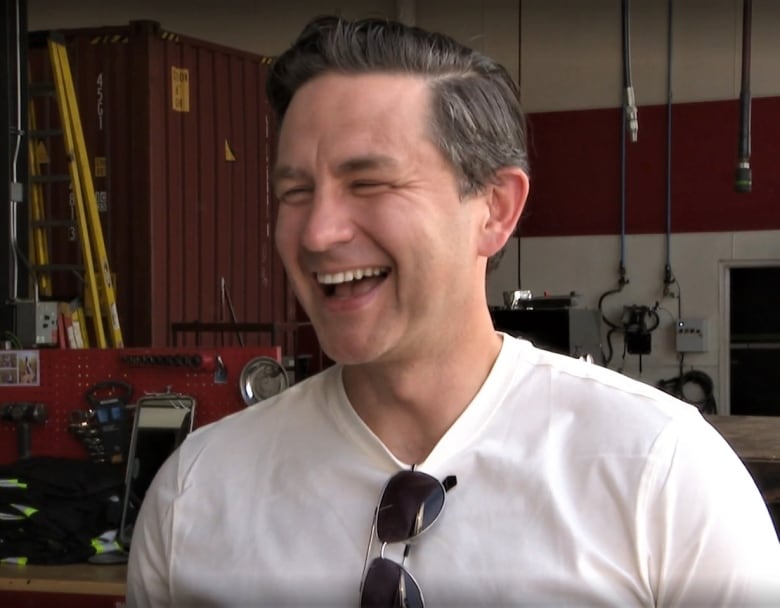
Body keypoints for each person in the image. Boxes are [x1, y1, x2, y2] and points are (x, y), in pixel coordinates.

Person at [126, 15, 780, 607]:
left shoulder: (658, 474)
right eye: (295, 192)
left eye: (370, 183)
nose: (318, 231)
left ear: (494, 209)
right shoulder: (197, 492)